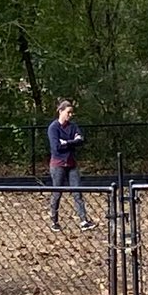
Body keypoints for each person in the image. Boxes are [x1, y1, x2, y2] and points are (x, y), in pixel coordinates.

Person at [46, 99, 95, 232]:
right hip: (58, 165)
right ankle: (54, 221)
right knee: (57, 193)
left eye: (72, 113)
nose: (70, 115)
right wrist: (72, 142)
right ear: (61, 111)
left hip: (71, 164)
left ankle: (83, 220)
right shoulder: (53, 128)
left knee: (77, 192)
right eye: (68, 112)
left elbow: (80, 140)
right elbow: (56, 147)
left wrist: (66, 142)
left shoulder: (73, 126)